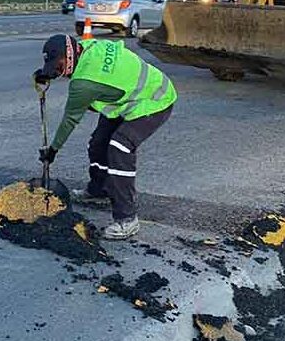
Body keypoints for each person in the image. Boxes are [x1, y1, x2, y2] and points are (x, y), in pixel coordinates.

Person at [33, 34, 177, 240]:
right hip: (128, 98)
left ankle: (127, 219)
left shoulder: (84, 83)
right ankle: (98, 190)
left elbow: (70, 120)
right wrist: (48, 74)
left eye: (60, 66)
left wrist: (52, 151)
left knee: (120, 147)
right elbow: (75, 69)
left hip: (155, 99)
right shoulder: (85, 47)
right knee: (99, 143)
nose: (59, 71)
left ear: (71, 56)